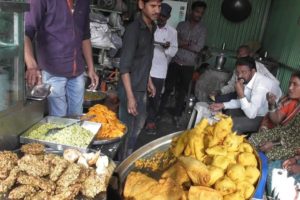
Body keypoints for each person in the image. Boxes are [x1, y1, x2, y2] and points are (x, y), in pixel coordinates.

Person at [25, 0, 99, 117]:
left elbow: (85, 36)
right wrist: (31, 65)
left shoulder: (83, 2)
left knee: (76, 118)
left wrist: (91, 67)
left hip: (77, 72)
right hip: (53, 71)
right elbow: (26, 31)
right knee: (59, 119)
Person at [118, 0, 161, 159]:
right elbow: (124, 68)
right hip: (130, 89)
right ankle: (120, 166)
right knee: (126, 130)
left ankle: (128, 157)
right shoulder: (134, 30)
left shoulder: (152, 27)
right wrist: (130, 97)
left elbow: (144, 60)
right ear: (141, 5)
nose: (157, 10)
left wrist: (149, 81)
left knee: (138, 126)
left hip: (141, 87)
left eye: (159, 6)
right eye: (153, 6)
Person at [160, 1, 207, 126]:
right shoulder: (181, 25)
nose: (199, 15)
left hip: (189, 65)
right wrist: (187, 44)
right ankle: (159, 113)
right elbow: (173, 42)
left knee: (183, 92)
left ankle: (177, 115)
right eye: (197, 11)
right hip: (175, 62)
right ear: (192, 11)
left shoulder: (202, 29)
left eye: (201, 13)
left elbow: (198, 48)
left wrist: (182, 43)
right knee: (168, 88)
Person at [209, 56, 282, 133]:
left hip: (267, 117)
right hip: (254, 110)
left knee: (235, 124)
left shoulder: (260, 86)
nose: (240, 76)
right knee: (229, 112)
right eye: (238, 72)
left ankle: (234, 143)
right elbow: (244, 102)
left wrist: (240, 94)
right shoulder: (248, 79)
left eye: (243, 72)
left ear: (253, 71)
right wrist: (223, 105)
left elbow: (251, 114)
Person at [145, 3, 178, 132]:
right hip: (145, 67)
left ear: (168, 17)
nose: (160, 18)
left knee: (155, 97)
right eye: (159, 15)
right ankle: (140, 118)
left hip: (159, 70)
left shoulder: (172, 32)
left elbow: (174, 51)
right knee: (142, 95)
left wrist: (167, 48)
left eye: (164, 16)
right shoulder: (149, 25)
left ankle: (151, 121)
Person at [210, 45, 280, 103]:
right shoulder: (238, 68)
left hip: (257, 100)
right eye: (239, 56)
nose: (240, 75)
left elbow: (275, 83)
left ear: (250, 55)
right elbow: (232, 85)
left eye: (243, 55)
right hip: (241, 96)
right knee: (218, 100)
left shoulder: (258, 67)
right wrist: (220, 91)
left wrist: (266, 97)